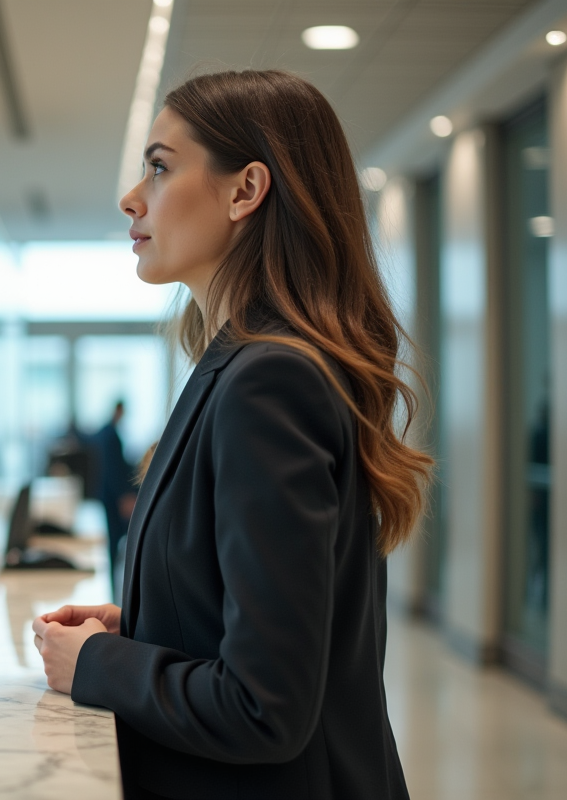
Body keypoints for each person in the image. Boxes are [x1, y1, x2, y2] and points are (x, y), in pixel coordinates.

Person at [32, 70, 433, 800]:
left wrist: (96, 665)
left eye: (159, 167)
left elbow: (264, 707)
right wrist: (142, 625)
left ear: (246, 191)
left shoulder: (266, 380)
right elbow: (273, 617)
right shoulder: (245, 366)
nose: (131, 197)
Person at [89, 400, 135, 598]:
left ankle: (115, 592)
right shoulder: (110, 435)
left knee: (114, 543)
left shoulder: (108, 432)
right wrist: (123, 496)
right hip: (113, 497)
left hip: (109, 495)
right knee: (114, 542)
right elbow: (113, 471)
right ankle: (114, 593)